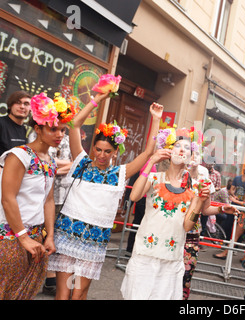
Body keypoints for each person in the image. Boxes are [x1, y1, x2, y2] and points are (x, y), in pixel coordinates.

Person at [48, 91, 164, 300]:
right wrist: (98, 99)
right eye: (98, 149)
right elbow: (75, 125)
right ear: (92, 148)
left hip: (94, 240)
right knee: (63, 293)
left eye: (107, 151)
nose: (102, 155)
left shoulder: (119, 174)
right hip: (67, 234)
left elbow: (148, 152)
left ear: (115, 152)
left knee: (79, 293)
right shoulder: (80, 163)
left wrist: (155, 120)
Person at [120, 126, 211, 300]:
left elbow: (187, 225)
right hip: (145, 252)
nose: (182, 149)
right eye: (178, 145)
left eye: (187, 148)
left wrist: (199, 201)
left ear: (192, 157)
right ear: (169, 151)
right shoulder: (154, 178)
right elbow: (134, 195)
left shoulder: (194, 186)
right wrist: (151, 161)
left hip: (171, 257)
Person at [0, 91, 74, 299]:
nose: (59, 134)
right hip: (9, 237)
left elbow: (48, 200)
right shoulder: (19, 156)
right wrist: (22, 237)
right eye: (53, 129)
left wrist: (49, 235)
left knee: (23, 294)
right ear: (37, 129)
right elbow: (8, 198)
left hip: (35, 238)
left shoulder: (49, 160)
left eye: (62, 130)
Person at [183, 134, 239, 300]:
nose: (194, 157)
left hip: (191, 237)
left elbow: (206, 209)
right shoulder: (175, 175)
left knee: (185, 279)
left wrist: (222, 208)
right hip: (171, 234)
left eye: (196, 153)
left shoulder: (204, 179)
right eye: (190, 152)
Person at [42, 132, 72, 295]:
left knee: (57, 239)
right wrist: (59, 165)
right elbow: (41, 161)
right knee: (42, 236)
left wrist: (51, 166)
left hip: (63, 197)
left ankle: (50, 279)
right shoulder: (38, 134)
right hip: (42, 197)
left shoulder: (68, 140)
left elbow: (76, 164)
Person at [0, 91, 31, 156]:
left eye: (26, 104)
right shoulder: (1, 123)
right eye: (18, 103)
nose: (22, 107)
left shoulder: (23, 129)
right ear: (9, 106)